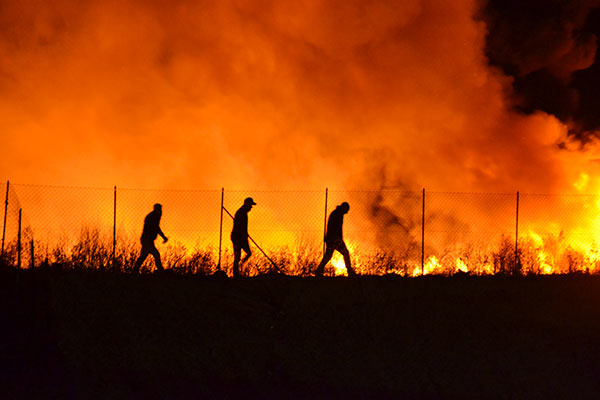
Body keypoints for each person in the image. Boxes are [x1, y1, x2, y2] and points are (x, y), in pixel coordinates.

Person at [315, 202, 356, 277]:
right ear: (344, 208)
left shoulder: (336, 213)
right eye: (346, 210)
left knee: (328, 255)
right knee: (345, 253)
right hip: (335, 239)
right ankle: (350, 272)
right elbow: (336, 228)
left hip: (332, 239)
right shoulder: (338, 215)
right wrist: (338, 239)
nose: (346, 212)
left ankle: (318, 271)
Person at [133, 203, 168, 273]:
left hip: (148, 240)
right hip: (147, 239)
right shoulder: (153, 217)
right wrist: (163, 236)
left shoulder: (153, 216)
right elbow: (156, 228)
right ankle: (160, 270)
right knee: (155, 254)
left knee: (145, 255)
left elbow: (156, 228)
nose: (161, 211)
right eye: (160, 209)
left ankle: (135, 270)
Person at [231, 197, 256, 278]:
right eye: (250, 205)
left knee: (248, 253)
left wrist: (245, 234)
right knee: (237, 256)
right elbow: (239, 227)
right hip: (237, 238)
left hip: (242, 237)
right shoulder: (241, 213)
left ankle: (241, 267)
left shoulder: (243, 213)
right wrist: (244, 235)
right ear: (247, 204)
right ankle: (236, 274)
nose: (251, 207)